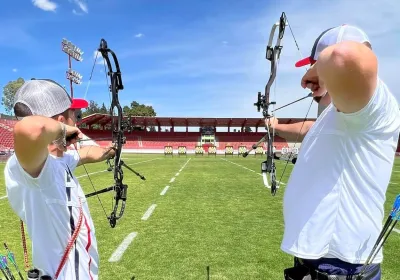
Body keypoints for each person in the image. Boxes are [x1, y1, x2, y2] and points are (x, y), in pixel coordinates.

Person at [266, 25, 400, 279]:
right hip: (318, 261)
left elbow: (345, 57)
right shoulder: (341, 117)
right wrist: (276, 126)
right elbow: (310, 129)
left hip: (341, 264)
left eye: (315, 65)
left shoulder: (374, 105)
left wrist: (321, 69)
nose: (309, 78)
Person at [4, 79, 116, 279]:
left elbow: (87, 153)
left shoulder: (60, 160)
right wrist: (63, 132)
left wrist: (109, 151)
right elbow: (30, 129)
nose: (78, 122)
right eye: (75, 116)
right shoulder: (31, 169)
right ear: (62, 123)